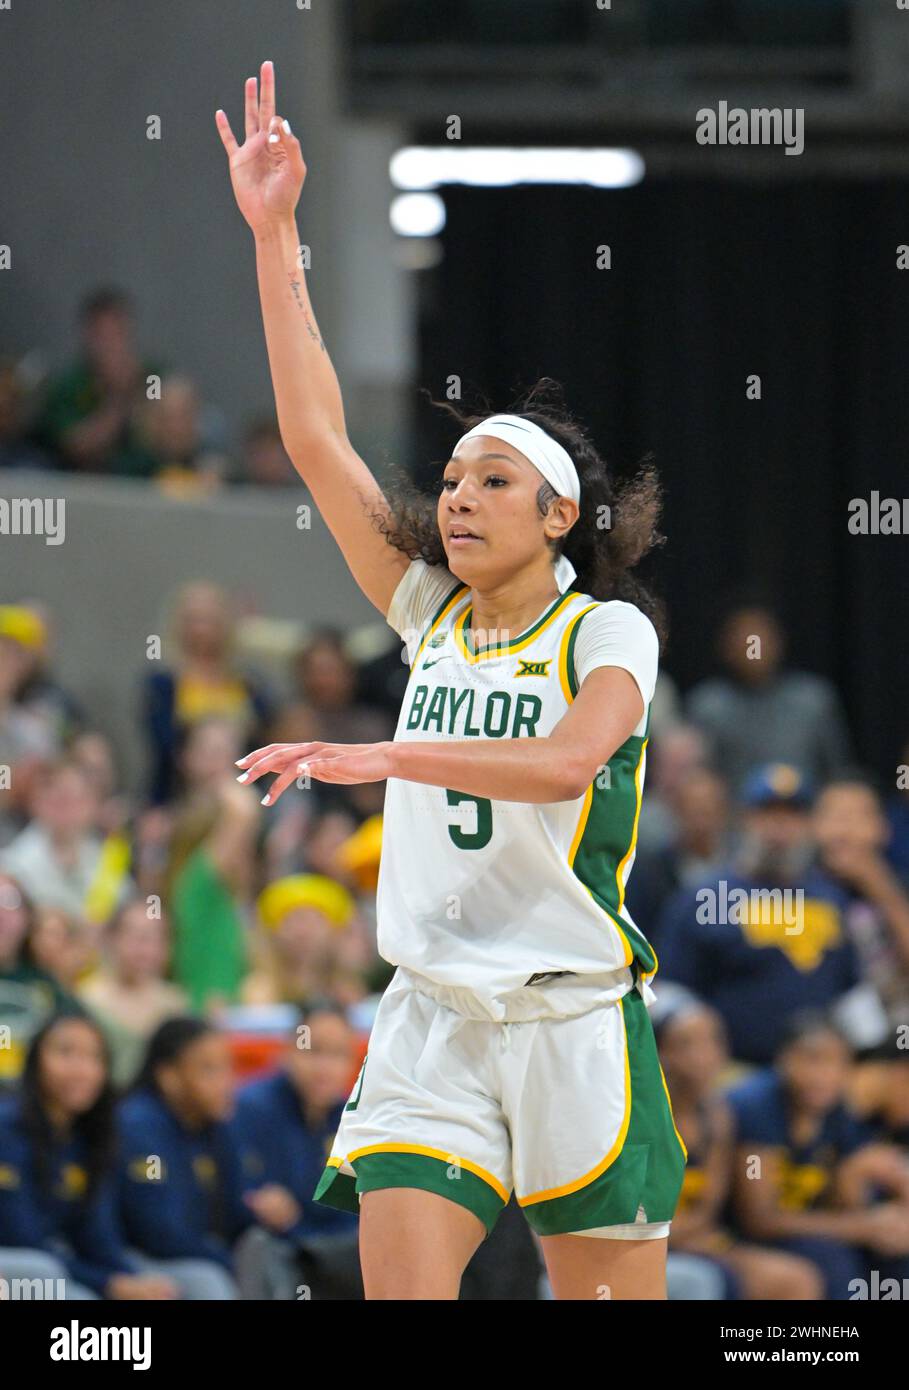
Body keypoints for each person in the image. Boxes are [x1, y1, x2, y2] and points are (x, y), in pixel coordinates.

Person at [217, 61, 686, 1301]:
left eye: (491, 480)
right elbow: (318, 438)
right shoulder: (428, 607)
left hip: (571, 1018)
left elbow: (568, 762)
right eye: (457, 477)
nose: (460, 497)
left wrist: (385, 755)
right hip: (430, 1015)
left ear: (560, 511)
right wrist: (277, 235)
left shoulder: (605, 633)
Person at [657, 763, 860, 1065]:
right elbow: (667, 990)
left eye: (792, 816)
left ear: (809, 825)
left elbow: (851, 991)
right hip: (731, 1073)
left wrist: (861, 1056)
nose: (780, 829)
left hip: (819, 1075)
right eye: (768, 814)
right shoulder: (703, 897)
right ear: (744, 820)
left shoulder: (832, 898)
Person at [725, 1012, 909, 1300]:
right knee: (833, 1260)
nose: (823, 1075)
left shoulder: (837, 1112)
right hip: (734, 1237)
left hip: (800, 1229)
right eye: (812, 1059)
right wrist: (861, 1226)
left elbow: (847, 1198)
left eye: (837, 1063)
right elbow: (759, 1219)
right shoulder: (755, 1108)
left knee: (894, 1251)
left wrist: (864, 1188)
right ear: (783, 1060)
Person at [0, 1012, 176, 1300]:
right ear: (35, 1061)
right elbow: (20, 1236)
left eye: (94, 1057)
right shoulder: (6, 1129)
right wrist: (107, 1283)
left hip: (57, 1264)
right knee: (49, 1278)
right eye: (65, 1052)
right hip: (18, 1267)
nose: (81, 1069)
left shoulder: (92, 1137)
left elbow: (97, 1234)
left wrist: (131, 1280)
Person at [232, 1001, 361, 1299]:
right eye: (313, 1051)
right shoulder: (250, 1108)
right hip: (274, 1250)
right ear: (288, 1051)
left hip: (332, 1251)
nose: (325, 1067)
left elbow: (352, 1209)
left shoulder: (353, 1118)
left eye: (338, 1055)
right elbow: (249, 1201)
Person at [116, 1019, 255, 1297]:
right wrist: (225, 1261)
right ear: (169, 1076)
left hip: (200, 1254)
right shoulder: (138, 1125)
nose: (226, 1082)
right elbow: (158, 1234)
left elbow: (236, 1212)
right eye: (209, 1069)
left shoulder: (215, 1125)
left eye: (227, 1067)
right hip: (133, 1259)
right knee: (209, 1282)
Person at [686, 600, 852, 795]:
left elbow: (838, 773)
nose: (753, 648)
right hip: (731, 820)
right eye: (744, 639)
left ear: (779, 642)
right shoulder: (707, 705)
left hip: (806, 815)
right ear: (725, 646)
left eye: (759, 637)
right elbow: (695, 781)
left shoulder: (813, 699)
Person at [32, 287, 163, 477]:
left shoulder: (152, 377)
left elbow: (167, 434)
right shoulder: (69, 384)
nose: (111, 344)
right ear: (87, 335)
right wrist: (119, 399)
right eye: (103, 335)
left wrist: (139, 390)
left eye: (118, 332)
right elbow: (78, 448)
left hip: (151, 477)